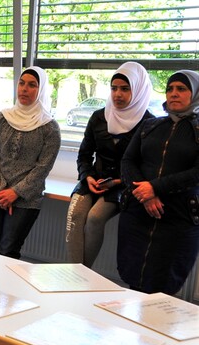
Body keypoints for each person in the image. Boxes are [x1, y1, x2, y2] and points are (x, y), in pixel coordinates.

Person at [118, 69, 199, 295]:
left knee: (162, 287)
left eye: (181, 89)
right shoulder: (150, 126)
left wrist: (155, 187)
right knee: (134, 281)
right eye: (170, 89)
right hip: (138, 212)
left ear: (195, 94)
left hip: (178, 218)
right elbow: (128, 161)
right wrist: (145, 193)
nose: (173, 93)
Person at [65, 62, 154, 267]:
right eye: (114, 88)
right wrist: (87, 176)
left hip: (124, 185)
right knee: (75, 214)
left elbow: (148, 167)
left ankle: (82, 274)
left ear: (138, 90)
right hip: (93, 180)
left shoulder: (149, 123)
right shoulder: (99, 117)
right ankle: (74, 275)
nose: (117, 95)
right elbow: (84, 155)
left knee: (95, 218)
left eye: (125, 89)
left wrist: (117, 182)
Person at [0, 66, 61, 259]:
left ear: (41, 90)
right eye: (22, 83)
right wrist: (2, 190)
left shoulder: (49, 127)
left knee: (8, 251)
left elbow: (43, 167)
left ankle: (6, 290)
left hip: (26, 199)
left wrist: (14, 192)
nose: (24, 89)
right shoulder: (1, 119)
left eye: (32, 85)